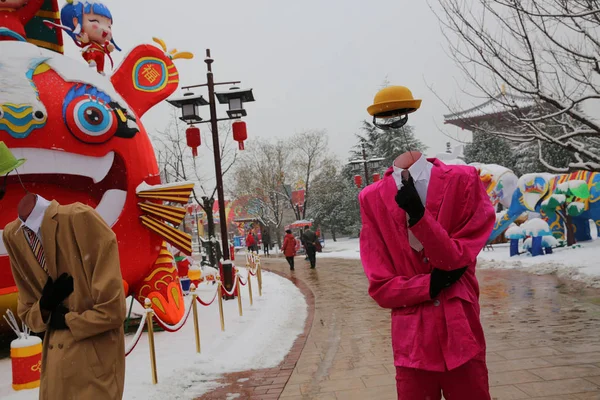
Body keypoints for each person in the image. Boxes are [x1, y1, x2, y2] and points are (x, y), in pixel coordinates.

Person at [360, 86, 496, 399]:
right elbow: (380, 286)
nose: (397, 121)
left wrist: (418, 216)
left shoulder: (464, 181)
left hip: (461, 334)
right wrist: (429, 286)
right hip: (412, 345)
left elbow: (456, 259)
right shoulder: (371, 199)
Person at [3, 196, 127, 399]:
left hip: (93, 368)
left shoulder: (79, 217)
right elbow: (27, 314)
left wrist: (68, 320)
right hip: (54, 370)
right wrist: (44, 305)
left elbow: (113, 311)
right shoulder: (13, 235)